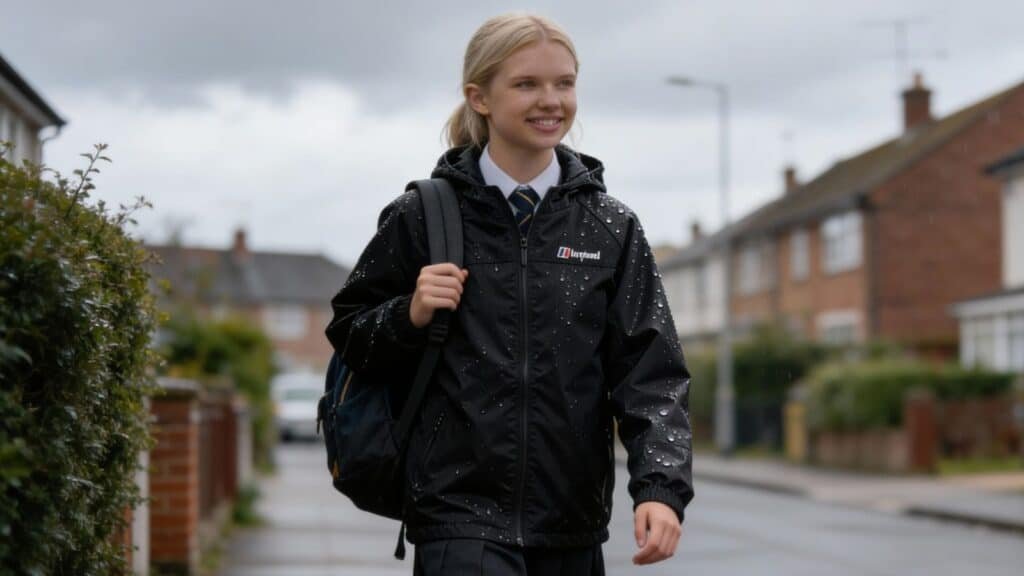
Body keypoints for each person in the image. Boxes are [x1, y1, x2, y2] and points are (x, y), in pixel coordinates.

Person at [325, 12, 694, 575]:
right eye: (527, 84)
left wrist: (660, 488)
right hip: (457, 517)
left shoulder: (610, 227)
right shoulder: (421, 217)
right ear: (480, 97)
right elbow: (351, 335)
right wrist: (411, 313)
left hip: (571, 521)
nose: (551, 100)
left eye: (564, 83)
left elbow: (651, 373)